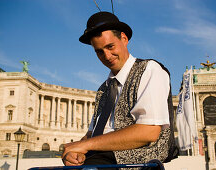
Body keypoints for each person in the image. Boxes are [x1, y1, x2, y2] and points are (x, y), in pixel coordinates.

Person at [62, 11, 174, 168]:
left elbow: (149, 131)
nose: (107, 56)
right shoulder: (103, 89)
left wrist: (86, 146)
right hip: (98, 160)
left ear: (124, 38)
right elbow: (92, 135)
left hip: (137, 164)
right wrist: (75, 153)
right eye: (99, 51)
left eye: (110, 46)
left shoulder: (149, 69)